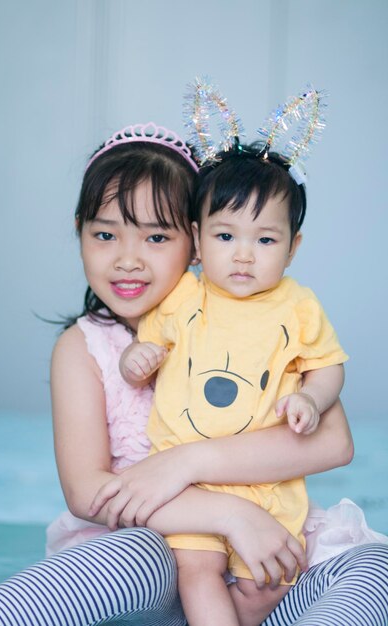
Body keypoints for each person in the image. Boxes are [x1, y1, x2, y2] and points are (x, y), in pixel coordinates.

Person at [0, 122, 387, 626]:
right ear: (78, 231)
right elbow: (87, 495)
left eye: (156, 236)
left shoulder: (255, 314)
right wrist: (229, 515)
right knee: (123, 557)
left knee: (371, 566)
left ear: (194, 241)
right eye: (104, 234)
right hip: (160, 554)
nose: (128, 260)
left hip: (263, 557)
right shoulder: (84, 348)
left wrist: (187, 463)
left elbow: (333, 443)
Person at [119, 139, 347, 625]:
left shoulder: (298, 306)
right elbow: (147, 347)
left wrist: (312, 395)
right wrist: (135, 360)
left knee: (268, 582)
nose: (243, 256)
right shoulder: (183, 295)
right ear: (198, 240)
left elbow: (328, 365)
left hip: (267, 482)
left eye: (265, 240)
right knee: (197, 570)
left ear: (293, 247)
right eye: (226, 238)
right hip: (190, 484)